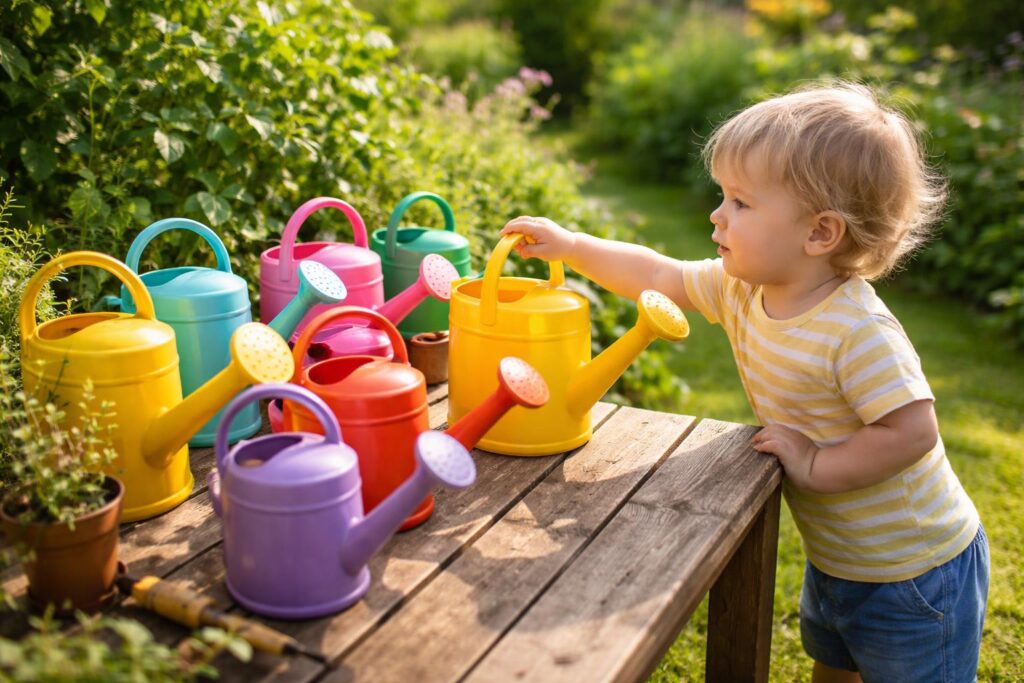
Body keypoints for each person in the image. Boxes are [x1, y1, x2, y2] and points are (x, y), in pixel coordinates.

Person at [500, 82, 988, 683]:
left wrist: (816, 465)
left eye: (741, 203)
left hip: (915, 571)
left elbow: (912, 431)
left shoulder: (858, 331)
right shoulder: (742, 288)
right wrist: (573, 246)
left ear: (820, 233)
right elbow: (659, 275)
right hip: (840, 558)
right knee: (834, 666)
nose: (717, 214)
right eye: (722, 196)